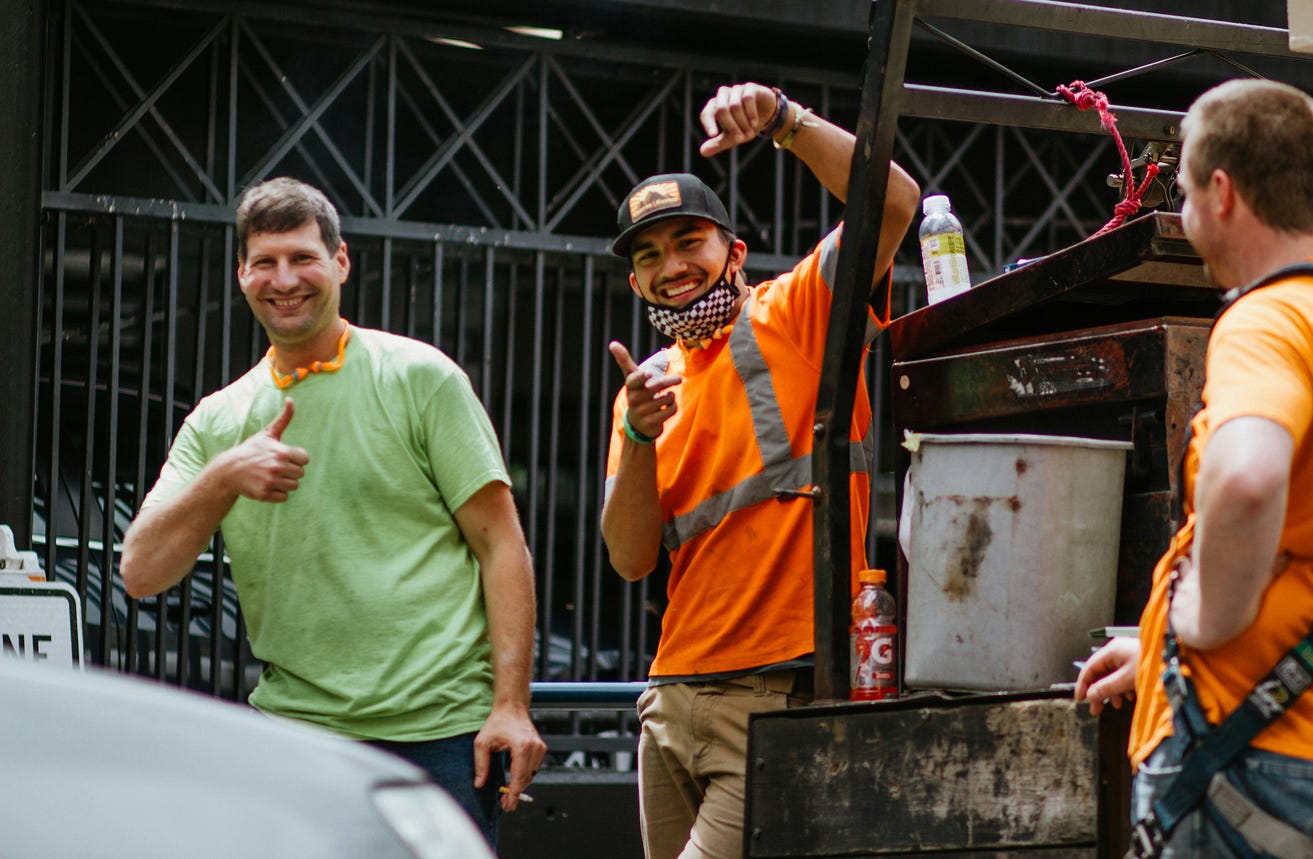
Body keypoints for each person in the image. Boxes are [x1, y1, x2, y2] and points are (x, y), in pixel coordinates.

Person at [120, 177, 546, 846]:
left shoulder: (421, 377)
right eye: (265, 261)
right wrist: (225, 475)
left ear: (341, 262)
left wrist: (511, 706)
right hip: (295, 737)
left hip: (440, 736)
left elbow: (502, 546)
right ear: (242, 275)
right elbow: (141, 572)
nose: (284, 279)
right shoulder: (218, 420)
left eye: (303, 257)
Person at [1074, 79, 1313, 858]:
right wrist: (1159, 646)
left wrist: (1201, 620)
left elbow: (1247, 479)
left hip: (1244, 767)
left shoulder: (1268, 319)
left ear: (1223, 192)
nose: (1183, 211)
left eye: (1185, 191)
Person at [601, 82, 919, 859]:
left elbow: (894, 203)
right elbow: (631, 557)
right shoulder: (645, 387)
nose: (672, 266)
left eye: (689, 242)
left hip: (776, 694)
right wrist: (637, 434)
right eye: (649, 256)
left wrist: (784, 120)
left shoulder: (797, 312)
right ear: (635, 282)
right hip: (669, 700)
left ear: (734, 252)